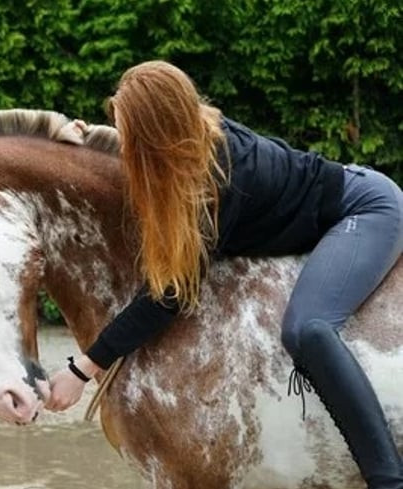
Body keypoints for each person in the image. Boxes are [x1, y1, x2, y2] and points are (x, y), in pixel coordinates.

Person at [44, 60, 403, 488]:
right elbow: (122, 159)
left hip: (365, 209)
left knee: (308, 328)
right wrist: (73, 143)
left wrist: (84, 368)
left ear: (158, 133)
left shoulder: (222, 179)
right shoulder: (189, 141)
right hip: (333, 210)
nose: (126, 147)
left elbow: (170, 295)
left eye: (130, 134)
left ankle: (387, 479)